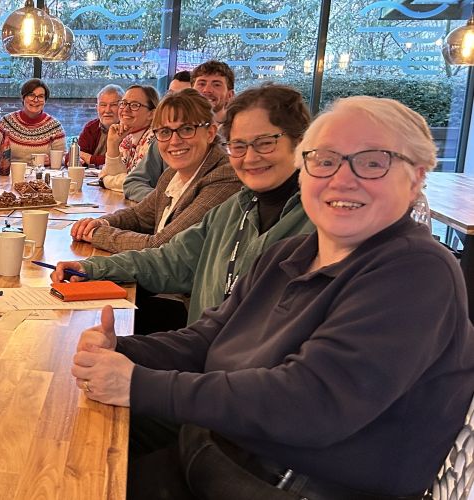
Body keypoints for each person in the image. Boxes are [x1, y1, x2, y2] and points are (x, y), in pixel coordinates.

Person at [73, 96, 474, 499]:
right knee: (60, 443)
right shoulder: (289, 253)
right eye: (326, 159)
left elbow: (309, 404)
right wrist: (120, 350)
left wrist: (137, 384)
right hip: (215, 453)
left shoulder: (415, 272)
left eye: (372, 162)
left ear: (417, 177)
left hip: (281, 484)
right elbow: (207, 338)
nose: (342, 179)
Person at [53, 84, 315, 334]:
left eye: (265, 142)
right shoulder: (234, 208)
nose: (250, 157)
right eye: (239, 145)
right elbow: (170, 258)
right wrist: (92, 267)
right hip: (201, 347)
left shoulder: (319, 224)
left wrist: (96, 235)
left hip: (212, 354)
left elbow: (161, 245)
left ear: (301, 142)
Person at [69, 89, 241, 253]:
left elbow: (161, 245)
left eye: (187, 129)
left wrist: (97, 234)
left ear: (210, 133)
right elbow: (138, 215)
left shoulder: (224, 177)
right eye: (165, 131)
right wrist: (101, 222)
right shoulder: (174, 173)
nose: (174, 141)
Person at [123, 61, 235, 202]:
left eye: (216, 84)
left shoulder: (238, 138)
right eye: (201, 83)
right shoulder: (166, 138)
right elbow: (134, 182)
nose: (207, 90)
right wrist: (165, 203)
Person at [0, 78, 66, 166]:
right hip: (10, 177)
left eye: (41, 96)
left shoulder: (54, 127)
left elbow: (64, 158)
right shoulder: (5, 123)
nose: (35, 100)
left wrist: (53, 161)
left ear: (45, 100)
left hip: (42, 177)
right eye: (31, 95)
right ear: (23, 97)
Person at [98, 85, 159, 191]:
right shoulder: (128, 137)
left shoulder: (155, 139)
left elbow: (136, 183)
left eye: (135, 105)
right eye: (123, 103)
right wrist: (112, 143)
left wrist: (105, 181)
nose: (125, 109)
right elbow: (110, 173)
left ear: (151, 114)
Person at [76, 84, 124, 167]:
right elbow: (74, 154)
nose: (107, 110)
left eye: (113, 105)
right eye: (103, 105)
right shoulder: (91, 127)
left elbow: (123, 160)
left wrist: (91, 159)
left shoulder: (128, 130)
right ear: (97, 108)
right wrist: (76, 159)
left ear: (123, 107)